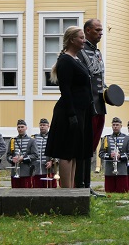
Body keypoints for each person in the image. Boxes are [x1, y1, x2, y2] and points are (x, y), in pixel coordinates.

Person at [45, 26, 94, 188]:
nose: (84, 40)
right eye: (81, 38)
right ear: (72, 40)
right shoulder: (65, 61)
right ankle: (67, 194)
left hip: (80, 112)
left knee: (74, 153)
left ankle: (72, 190)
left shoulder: (76, 59)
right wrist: (72, 115)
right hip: (69, 113)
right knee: (67, 153)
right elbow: (65, 90)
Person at [75, 18, 106, 192]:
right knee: (84, 147)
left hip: (99, 104)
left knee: (92, 147)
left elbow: (99, 77)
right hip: (88, 106)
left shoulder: (97, 52)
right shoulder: (81, 51)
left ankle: (87, 184)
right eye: (97, 30)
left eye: (101, 30)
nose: (101, 33)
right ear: (87, 31)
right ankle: (81, 184)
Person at [99, 117, 129, 193]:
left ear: (121, 126)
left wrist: (120, 156)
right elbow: (101, 154)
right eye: (114, 125)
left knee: (122, 192)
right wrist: (109, 156)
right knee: (109, 192)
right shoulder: (106, 138)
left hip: (122, 170)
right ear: (112, 126)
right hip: (109, 170)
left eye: (117, 125)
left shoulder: (127, 138)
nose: (115, 126)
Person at [7, 119, 38, 188]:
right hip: (15, 171)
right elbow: (8, 155)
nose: (20, 129)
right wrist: (12, 159)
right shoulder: (13, 140)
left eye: (22, 127)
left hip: (26, 171)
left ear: (26, 128)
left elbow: (35, 155)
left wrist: (23, 159)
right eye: (19, 127)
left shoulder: (32, 140)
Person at [32, 118, 57, 188]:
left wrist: (52, 161)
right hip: (37, 169)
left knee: (50, 189)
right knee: (37, 188)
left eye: (44, 125)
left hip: (49, 169)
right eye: (41, 125)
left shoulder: (53, 137)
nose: (42, 126)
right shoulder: (34, 138)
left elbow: (56, 152)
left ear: (48, 126)